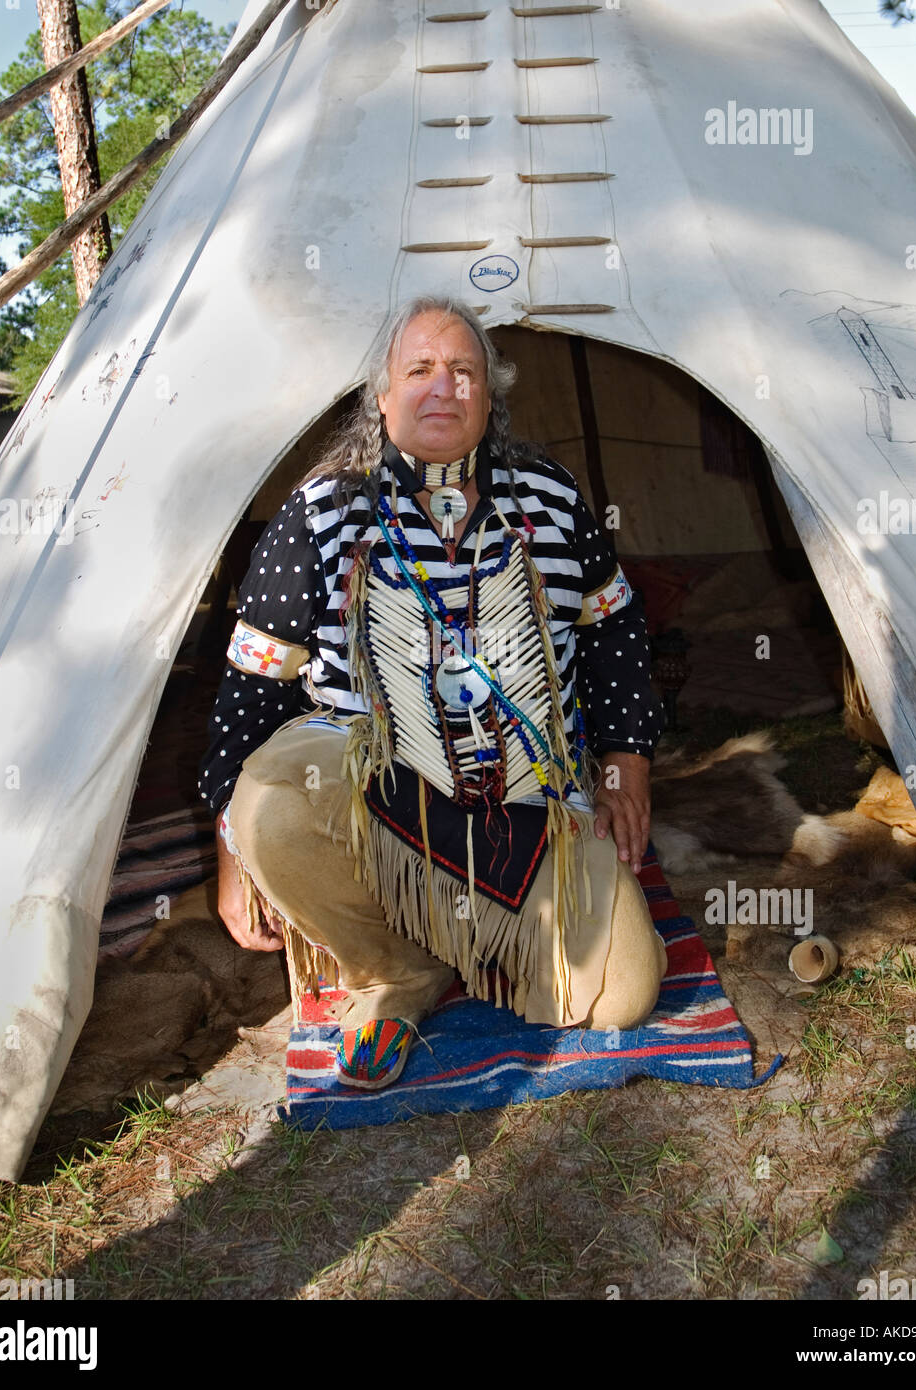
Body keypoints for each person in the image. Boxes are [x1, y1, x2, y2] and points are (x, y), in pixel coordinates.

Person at [198, 295, 667, 1090]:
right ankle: (394, 970)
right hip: (371, 802)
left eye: (463, 371)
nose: (443, 387)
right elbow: (253, 681)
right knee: (268, 804)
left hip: (526, 806)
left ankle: (473, 934)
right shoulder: (321, 511)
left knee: (621, 994)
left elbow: (613, 628)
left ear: (489, 396)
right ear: (381, 397)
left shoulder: (550, 497)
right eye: (418, 369)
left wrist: (627, 760)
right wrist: (229, 851)